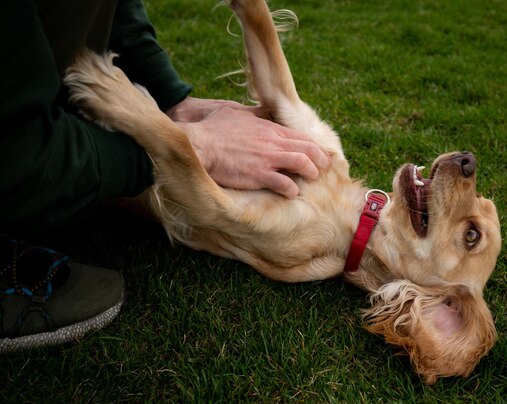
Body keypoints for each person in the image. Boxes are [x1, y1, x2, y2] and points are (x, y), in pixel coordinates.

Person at [0, 0, 330, 352]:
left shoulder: (311, 246)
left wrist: (172, 100)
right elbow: (12, 152)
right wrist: (199, 145)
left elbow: (112, 6)